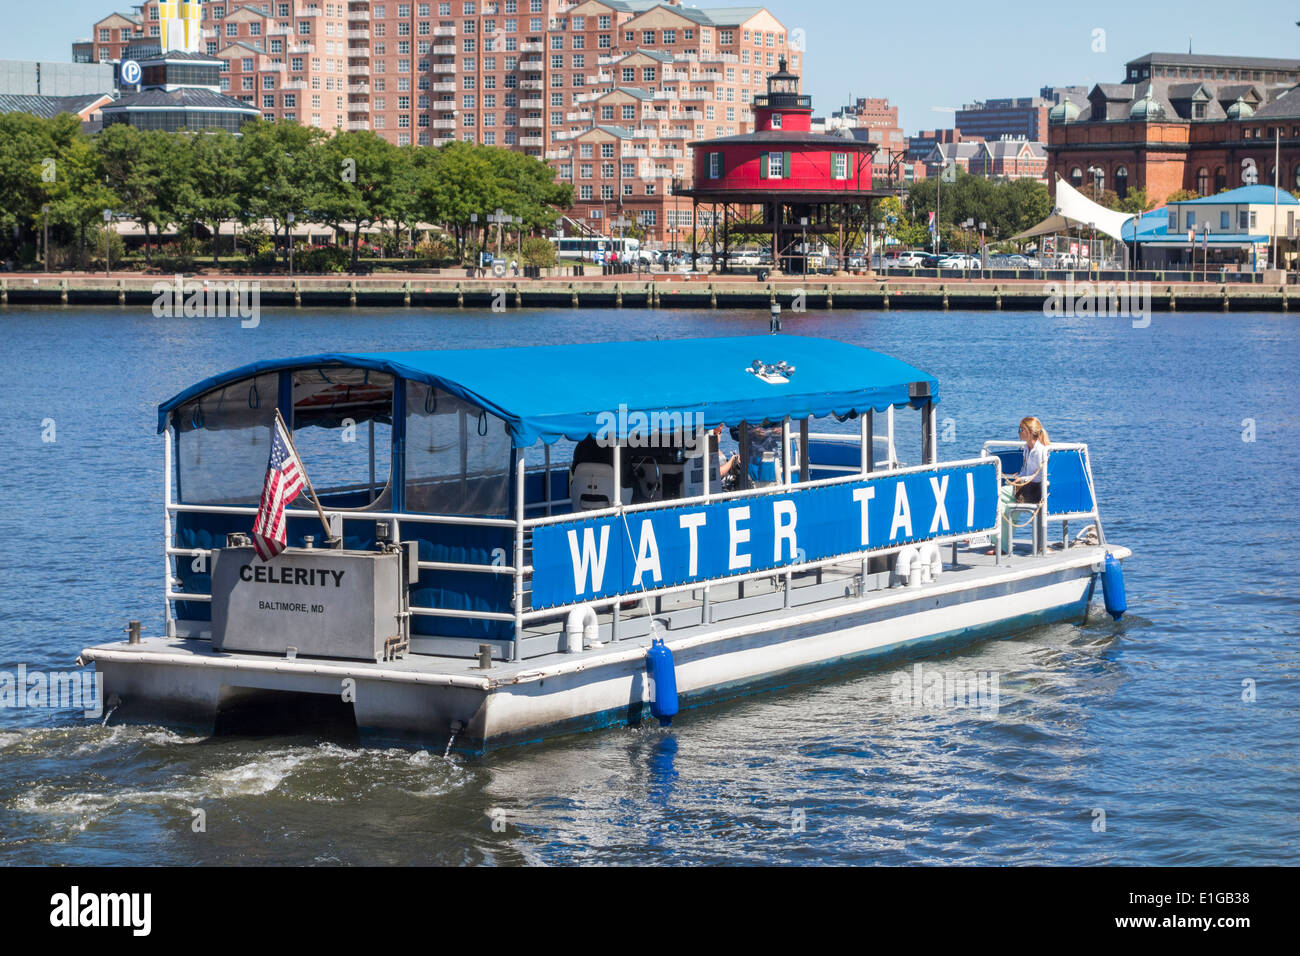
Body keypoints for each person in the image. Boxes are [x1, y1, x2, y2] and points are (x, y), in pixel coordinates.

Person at [990, 416, 1049, 556]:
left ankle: (1002, 544)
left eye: (1021, 429)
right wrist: (1020, 476)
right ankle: (1002, 544)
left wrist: (1022, 479)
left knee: (998, 493)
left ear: (1028, 431)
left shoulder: (1041, 451)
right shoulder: (1026, 448)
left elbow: (1040, 475)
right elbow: (1026, 469)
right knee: (1005, 506)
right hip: (1026, 487)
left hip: (1035, 490)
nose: (1018, 432)